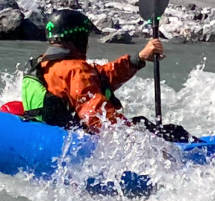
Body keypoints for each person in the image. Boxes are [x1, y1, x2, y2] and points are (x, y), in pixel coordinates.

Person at [20, 9, 198, 142]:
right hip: (76, 138)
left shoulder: (43, 63)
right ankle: (208, 151)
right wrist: (136, 137)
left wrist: (139, 58)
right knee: (170, 131)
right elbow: (96, 114)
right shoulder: (76, 69)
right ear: (78, 39)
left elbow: (101, 76)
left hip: (50, 131)